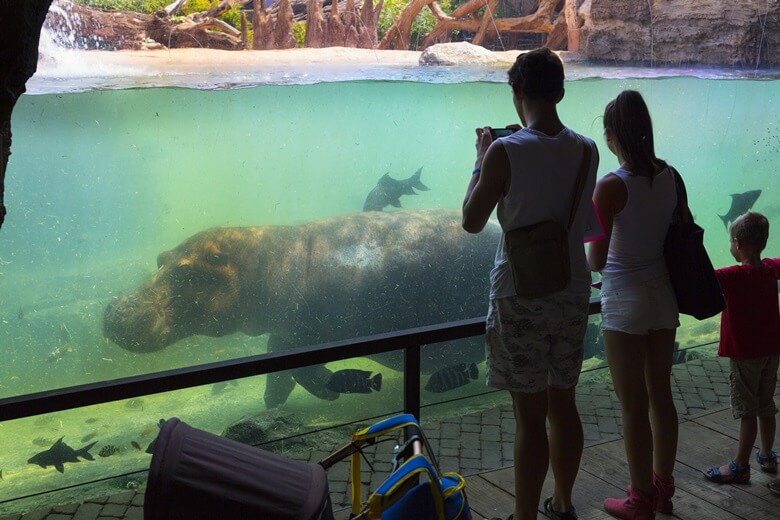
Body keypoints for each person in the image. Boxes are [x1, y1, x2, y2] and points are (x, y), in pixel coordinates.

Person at [462, 48, 599, 520]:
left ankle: (523, 517)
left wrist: (480, 161)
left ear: (516, 92)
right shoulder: (587, 150)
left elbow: (471, 221)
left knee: (528, 417)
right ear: (560, 93)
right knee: (564, 402)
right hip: (573, 291)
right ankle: (561, 503)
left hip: (519, 294)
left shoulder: (504, 150)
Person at [587, 90, 679, 520]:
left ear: (611, 137)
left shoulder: (610, 186)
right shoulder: (671, 176)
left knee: (632, 405)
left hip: (624, 302)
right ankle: (663, 489)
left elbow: (596, 260)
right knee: (662, 396)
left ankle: (639, 499)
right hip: (664, 298)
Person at [704, 211, 780, 484]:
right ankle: (768, 456)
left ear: (737, 243)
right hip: (772, 351)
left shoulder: (730, 276)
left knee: (747, 411)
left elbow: (700, 277)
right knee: (766, 404)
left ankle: (740, 465)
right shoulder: (771, 268)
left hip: (744, 355)